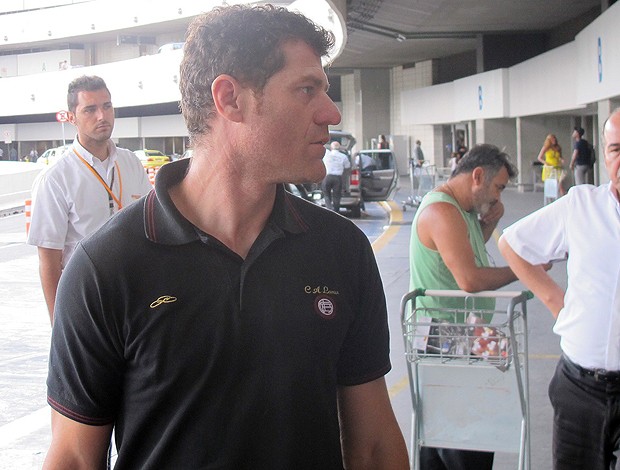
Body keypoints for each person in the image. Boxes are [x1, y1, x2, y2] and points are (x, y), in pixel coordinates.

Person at [42, 5, 408, 469]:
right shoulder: (107, 266)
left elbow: (374, 445)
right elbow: (74, 458)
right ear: (230, 99)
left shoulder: (341, 251)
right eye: (306, 89)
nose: (330, 113)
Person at [498, 108, 620, 470]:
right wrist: (553, 299)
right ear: (605, 153)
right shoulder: (583, 205)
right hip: (582, 386)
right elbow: (512, 243)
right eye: (616, 149)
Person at [409, 143, 523, 469]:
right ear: (477, 176)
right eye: (498, 187)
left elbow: (460, 253)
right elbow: (469, 279)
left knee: (439, 439)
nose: (498, 197)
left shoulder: (462, 213)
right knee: (465, 442)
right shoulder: (442, 212)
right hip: (444, 337)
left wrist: (486, 225)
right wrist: (522, 269)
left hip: (455, 334)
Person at [27, 75, 152, 324]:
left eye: (107, 106)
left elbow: (149, 223)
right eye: (90, 109)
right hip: (85, 301)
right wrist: (59, 326)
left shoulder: (130, 163)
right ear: (72, 117)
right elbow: (49, 261)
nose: (102, 116)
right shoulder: (55, 179)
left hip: (134, 296)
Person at [322, 140, 350, 212]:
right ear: (339, 148)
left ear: (331, 148)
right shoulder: (343, 156)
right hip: (338, 178)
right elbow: (347, 167)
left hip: (327, 177)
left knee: (326, 194)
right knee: (337, 195)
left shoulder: (326, 155)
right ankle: (336, 211)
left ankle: (329, 209)